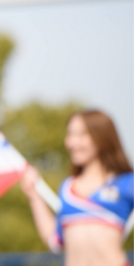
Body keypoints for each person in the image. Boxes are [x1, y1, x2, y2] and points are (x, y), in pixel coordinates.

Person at [20, 110, 133, 266]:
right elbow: (55, 242)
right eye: (70, 134)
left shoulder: (126, 182)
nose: (72, 142)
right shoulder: (67, 188)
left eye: (82, 134)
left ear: (102, 136)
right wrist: (34, 197)